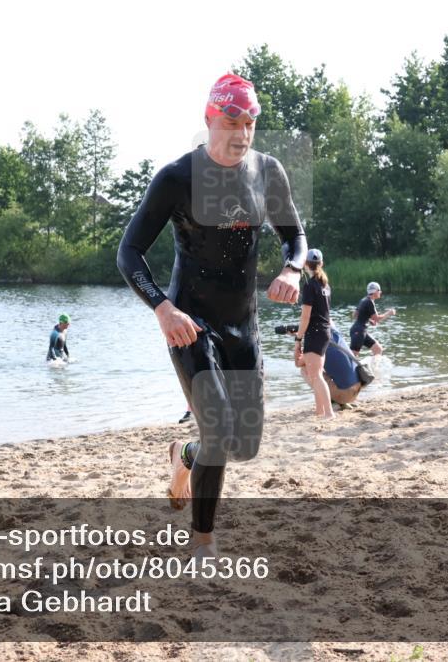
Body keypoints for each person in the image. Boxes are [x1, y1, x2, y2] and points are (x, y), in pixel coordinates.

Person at [117, 74, 306, 557]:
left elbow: (295, 235)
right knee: (219, 433)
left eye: (250, 123)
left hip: (244, 327)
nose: (241, 133)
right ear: (208, 120)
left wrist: (292, 268)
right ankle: (202, 540)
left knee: (244, 447)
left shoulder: (268, 171)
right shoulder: (177, 178)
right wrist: (163, 308)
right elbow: (129, 252)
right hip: (191, 325)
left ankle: (185, 456)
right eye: (231, 122)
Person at [296, 249, 334, 419]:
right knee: (314, 373)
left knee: (316, 375)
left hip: (315, 333)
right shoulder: (325, 285)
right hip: (325, 332)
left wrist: (298, 338)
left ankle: (329, 413)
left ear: (305, 264)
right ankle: (320, 411)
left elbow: (305, 316)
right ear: (321, 264)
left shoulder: (310, 285)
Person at [349, 282, 396, 358]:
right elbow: (377, 319)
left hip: (360, 331)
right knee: (352, 356)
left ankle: (373, 366)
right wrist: (389, 313)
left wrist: (368, 320)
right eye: (379, 290)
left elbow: (354, 315)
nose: (380, 292)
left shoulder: (364, 300)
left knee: (378, 350)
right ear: (375, 291)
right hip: (359, 332)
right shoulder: (369, 302)